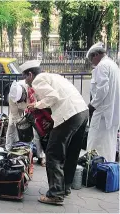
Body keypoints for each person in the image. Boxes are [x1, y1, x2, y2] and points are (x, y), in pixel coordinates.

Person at [24, 60, 88, 205]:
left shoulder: (38, 80)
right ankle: (65, 187)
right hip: (82, 112)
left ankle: (55, 194)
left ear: (30, 74)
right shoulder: (53, 76)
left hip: (69, 114)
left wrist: (36, 105)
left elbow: (53, 97)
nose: (25, 81)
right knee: (72, 152)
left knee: (53, 153)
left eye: (25, 77)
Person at [86, 42, 120, 162]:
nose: (92, 63)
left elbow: (102, 89)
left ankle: (96, 172)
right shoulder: (113, 65)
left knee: (95, 145)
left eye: (91, 59)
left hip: (103, 116)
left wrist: (92, 105)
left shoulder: (102, 66)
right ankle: (108, 170)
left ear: (95, 55)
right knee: (109, 145)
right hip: (112, 114)